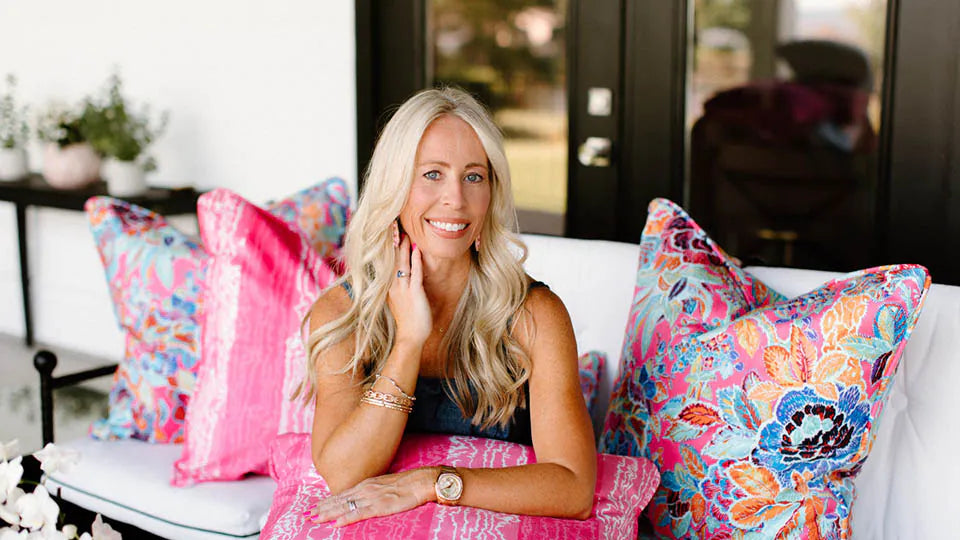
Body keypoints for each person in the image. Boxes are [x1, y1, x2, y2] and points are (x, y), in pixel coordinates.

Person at [298, 87, 596, 527]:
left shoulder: (534, 315)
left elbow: (574, 488)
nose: (455, 199)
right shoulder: (342, 313)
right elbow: (343, 473)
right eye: (432, 174)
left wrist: (432, 483)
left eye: (474, 176)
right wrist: (408, 342)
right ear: (393, 185)